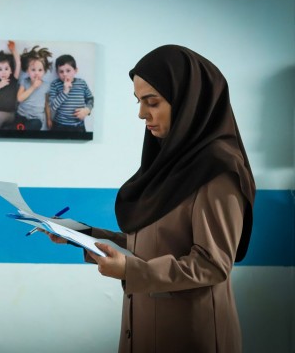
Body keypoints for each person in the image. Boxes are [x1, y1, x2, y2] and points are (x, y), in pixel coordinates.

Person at [47, 45, 255, 352]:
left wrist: (130, 271)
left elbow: (213, 263)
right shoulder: (168, 166)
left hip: (190, 335)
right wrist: (82, 234)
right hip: (143, 327)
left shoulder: (218, 170)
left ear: (187, 100)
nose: (142, 113)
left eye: (152, 102)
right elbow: (151, 245)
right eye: (139, 101)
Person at [48, 54, 94, 132]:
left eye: (68, 70)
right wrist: (65, 91)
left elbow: (90, 99)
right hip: (59, 125)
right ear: (57, 73)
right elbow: (52, 107)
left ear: (75, 70)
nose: (65, 74)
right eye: (61, 71)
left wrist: (87, 110)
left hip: (78, 125)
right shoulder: (55, 84)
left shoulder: (82, 83)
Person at [16, 45, 52, 130]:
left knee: (35, 125)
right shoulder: (25, 81)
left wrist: (49, 119)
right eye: (33, 70)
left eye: (40, 70)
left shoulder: (46, 86)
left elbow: (47, 104)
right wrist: (33, 87)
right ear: (27, 70)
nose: (36, 73)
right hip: (21, 114)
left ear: (44, 71)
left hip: (36, 118)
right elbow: (19, 99)